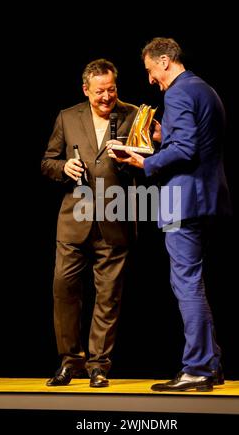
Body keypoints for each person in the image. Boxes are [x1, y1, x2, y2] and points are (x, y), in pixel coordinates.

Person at [108, 38, 232, 392]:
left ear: (164, 61)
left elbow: (186, 149)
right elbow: (194, 141)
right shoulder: (204, 89)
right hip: (207, 199)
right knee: (193, 279)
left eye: (150, 71)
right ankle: (210, 364)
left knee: (186, 282)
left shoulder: (177, 93)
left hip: (183, 203)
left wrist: (144, 160)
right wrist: (164, 136)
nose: (150, 80)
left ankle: (196, 369)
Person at [41, 58, 138, 387]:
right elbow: (47, 161)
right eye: (99, 92)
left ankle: (99, 365)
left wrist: (130, 159)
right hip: (73, 221)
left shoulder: (134, 115)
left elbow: (150, 160)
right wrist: (63, 167)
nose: (107, 97)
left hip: (116, 218)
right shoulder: (68, 117)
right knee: (63, 289)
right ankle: (71, 361)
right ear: (86, 90)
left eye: (111, 90)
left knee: (108, 296)